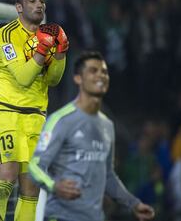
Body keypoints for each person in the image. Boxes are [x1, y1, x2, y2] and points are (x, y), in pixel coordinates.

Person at [28, 51, 155, 221]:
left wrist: (133, 203)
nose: (101, 75)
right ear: (78, 78)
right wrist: (54, 185)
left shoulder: (107, 126)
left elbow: (108, 176)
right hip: (61, 217)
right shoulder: (61, 120)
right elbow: (35, 166)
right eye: (93, 71)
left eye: (104, 71)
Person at [0, 0, 68, 221]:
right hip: (5, 112)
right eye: (32, 0)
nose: (39, 4)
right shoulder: (6, 35)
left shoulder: (47, 36)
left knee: (31, 188)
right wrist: (43, 49)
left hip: (35, 118)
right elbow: (22, 77)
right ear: (19, 7)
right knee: (6, 177)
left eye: (41, 0)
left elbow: (53, 79)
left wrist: (59, 55)